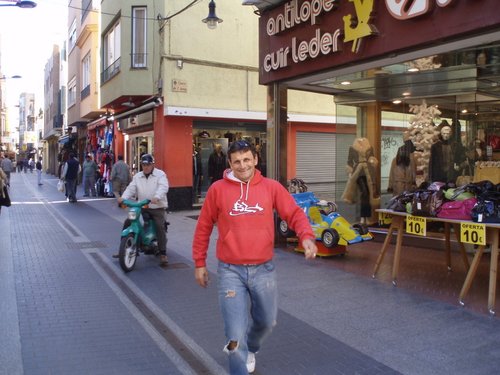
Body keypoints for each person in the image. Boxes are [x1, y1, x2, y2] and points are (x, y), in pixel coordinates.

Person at [192, 140, 318, 375]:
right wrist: (199, 262)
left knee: (267, 322)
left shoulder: (271, 187)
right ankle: (239, 358)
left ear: (255, 160)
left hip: (264, 270)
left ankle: (252, 347)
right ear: (229, 163)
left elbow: (293, 213)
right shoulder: (217, 190)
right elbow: (203, 227)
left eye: (247, 159)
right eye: (237, 161)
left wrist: (306, 236)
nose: (243, 165)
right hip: (230, 271)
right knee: (234, 336)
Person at [114, 154, 169, 266]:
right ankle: (124, 248)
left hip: (156, 207)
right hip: (142, 206)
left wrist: (157, 197)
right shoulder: (137, 176)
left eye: (148, 164)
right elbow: (131, 188)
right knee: (128, 221)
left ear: (153, 164)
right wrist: (123, 198)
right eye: (143, 164)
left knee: (159, 226)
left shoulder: (160, 174)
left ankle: (163, 253)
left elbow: (163, 187)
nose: (146, 167)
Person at [341, 137, 380, 223]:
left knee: (368, 194)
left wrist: (372, 160)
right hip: (358, 173)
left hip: (368, 172)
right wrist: (350, 172)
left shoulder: (369, 147)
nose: (361, 142)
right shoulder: (352, 148)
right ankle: (363, 217)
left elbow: (371, 157)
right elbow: (349, 161)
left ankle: (366, 217)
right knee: (364, 192)